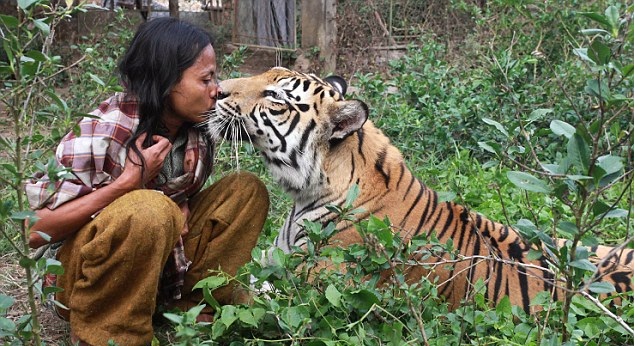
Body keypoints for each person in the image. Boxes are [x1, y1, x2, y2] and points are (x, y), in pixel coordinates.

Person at [24, 17, 269, 345]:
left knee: (246, 190)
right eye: (206, 79)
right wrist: (126, 184)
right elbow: (34, 230)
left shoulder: (196, 128)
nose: (217, 90)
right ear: (167, 81)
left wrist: (179, 201)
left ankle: (191, 306)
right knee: (148, 208)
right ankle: (111, 333)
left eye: (216, 77)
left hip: (157, 268)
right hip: (81, 279)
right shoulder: (107, 128)